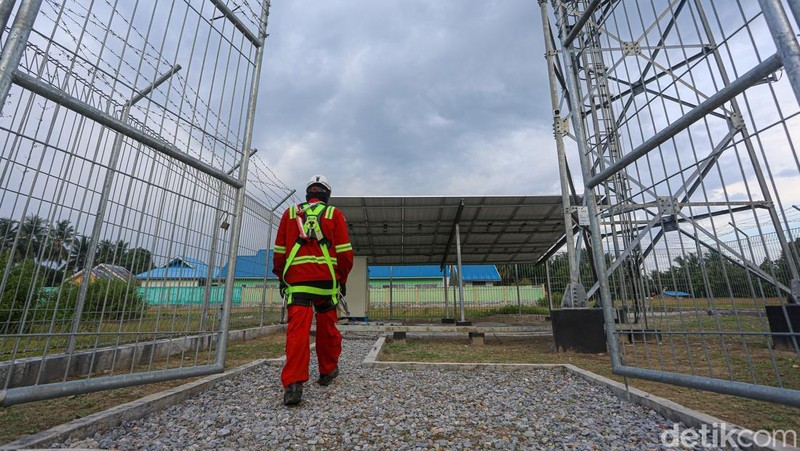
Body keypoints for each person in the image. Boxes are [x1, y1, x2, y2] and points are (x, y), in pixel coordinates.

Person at [272, 174, 353, 406]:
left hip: (298, 283)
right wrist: (342, 279)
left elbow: (279, 251)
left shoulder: (290, 213)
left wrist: (282, 276)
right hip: (326, 283)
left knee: (298, 333)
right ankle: (327, 371)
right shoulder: (333, 214)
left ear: (308, 193)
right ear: (327, 195)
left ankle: (293, 385)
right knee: (327, 328)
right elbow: (345, 253)